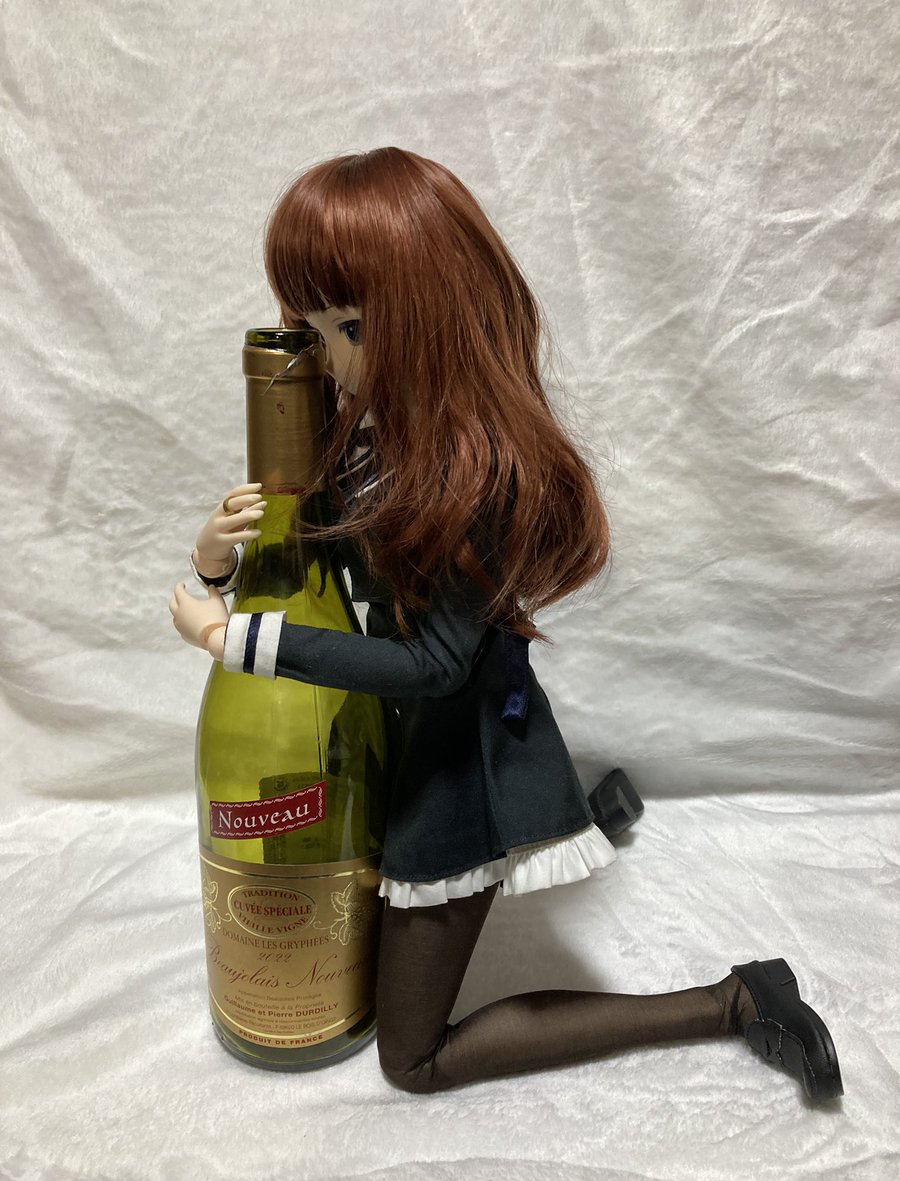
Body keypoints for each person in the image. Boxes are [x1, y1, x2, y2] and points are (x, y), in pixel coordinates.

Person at [168, 147, 843, 1101]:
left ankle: (733, 1001)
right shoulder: (368, 438)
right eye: (309, 327)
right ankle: (588, 809)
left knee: (413, 1060)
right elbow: (312, 561)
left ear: (434, 316)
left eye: (350, 328)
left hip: (459, 762)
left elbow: (437, 667)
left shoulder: (470, 477)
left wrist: (230, 639)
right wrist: (217, 562)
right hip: (398, 739)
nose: (328, 357)